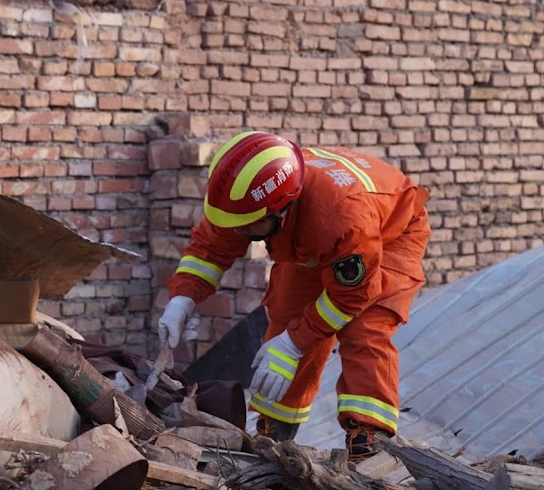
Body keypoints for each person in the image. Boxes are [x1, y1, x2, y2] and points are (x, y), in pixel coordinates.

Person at [157, 131, 431, 463]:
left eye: (248, 226)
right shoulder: (246, 197)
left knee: (364, 329)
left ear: (280, 211)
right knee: (288, 317)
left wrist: (294, 343)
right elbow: (211, 246)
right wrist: (182, 298)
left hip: (390, 236)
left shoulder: (342, 217)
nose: (239, 233)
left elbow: (353, 294)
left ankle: (370, 438)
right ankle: (277, 429)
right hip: (317, 239)